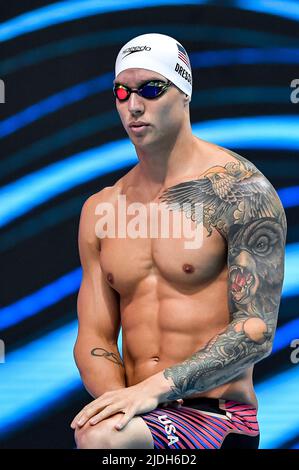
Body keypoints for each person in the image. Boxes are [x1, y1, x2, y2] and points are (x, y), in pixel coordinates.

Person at [70, 33, 286, 449]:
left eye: (151, 89)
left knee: (101, 440)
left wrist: (154, 389)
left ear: (184, 90)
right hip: (141, 417)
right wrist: (119, 401)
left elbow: (255, 331)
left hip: (218, 417)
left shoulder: (241, 191)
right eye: (121, 92)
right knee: (100, 432)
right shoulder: (100, 210)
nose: (133, 106)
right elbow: (94, 338)